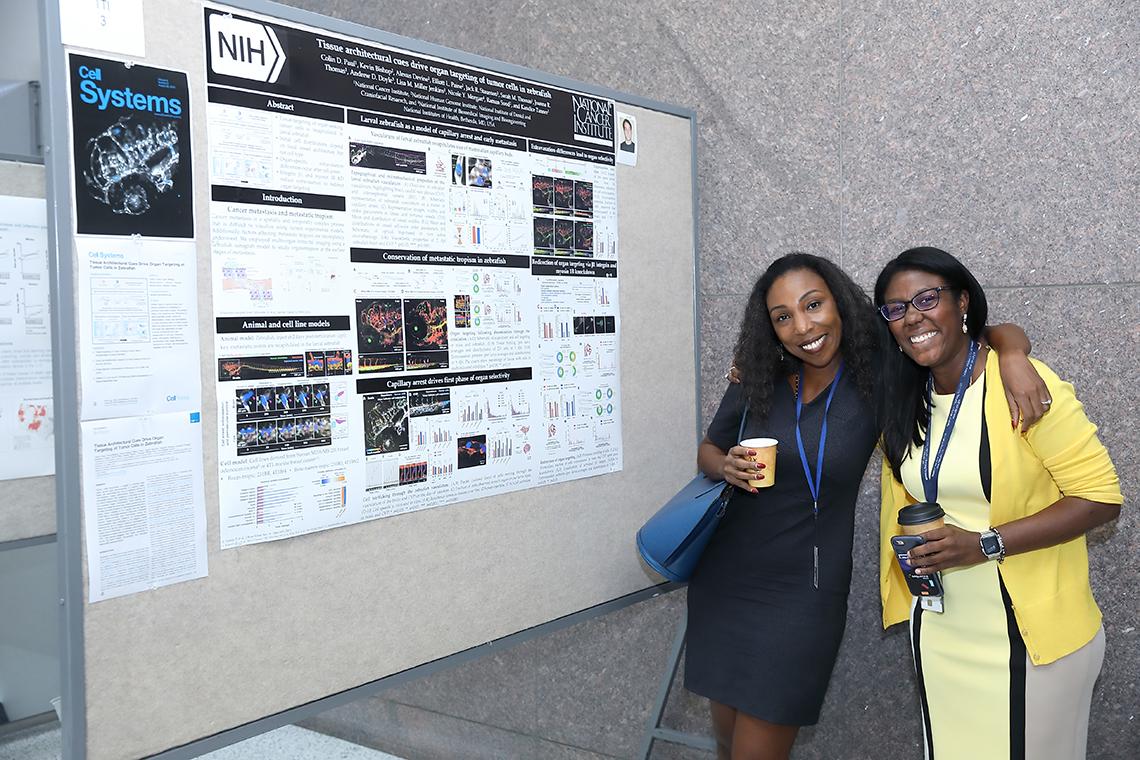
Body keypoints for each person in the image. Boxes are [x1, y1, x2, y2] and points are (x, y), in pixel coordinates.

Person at [687, 253, 1047, 760]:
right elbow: (708, 449)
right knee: (727, 740)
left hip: (803, 592)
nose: (802, 326)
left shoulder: (882, 371)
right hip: (726, 580)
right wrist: (724, 466)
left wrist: (1013, 355)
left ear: (839, 303)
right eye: (783, 316)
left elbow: (986, 331)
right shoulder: (760, 374)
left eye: (813, 305)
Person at [873, 247, 1122, 760]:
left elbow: (1100, 499)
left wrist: (984, 545)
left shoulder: (1022, 383)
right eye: (896, 309)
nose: (912, 316)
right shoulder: (904, 401)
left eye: (926, 298)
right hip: (941, 633)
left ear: (962, 301)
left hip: (1032, 641)